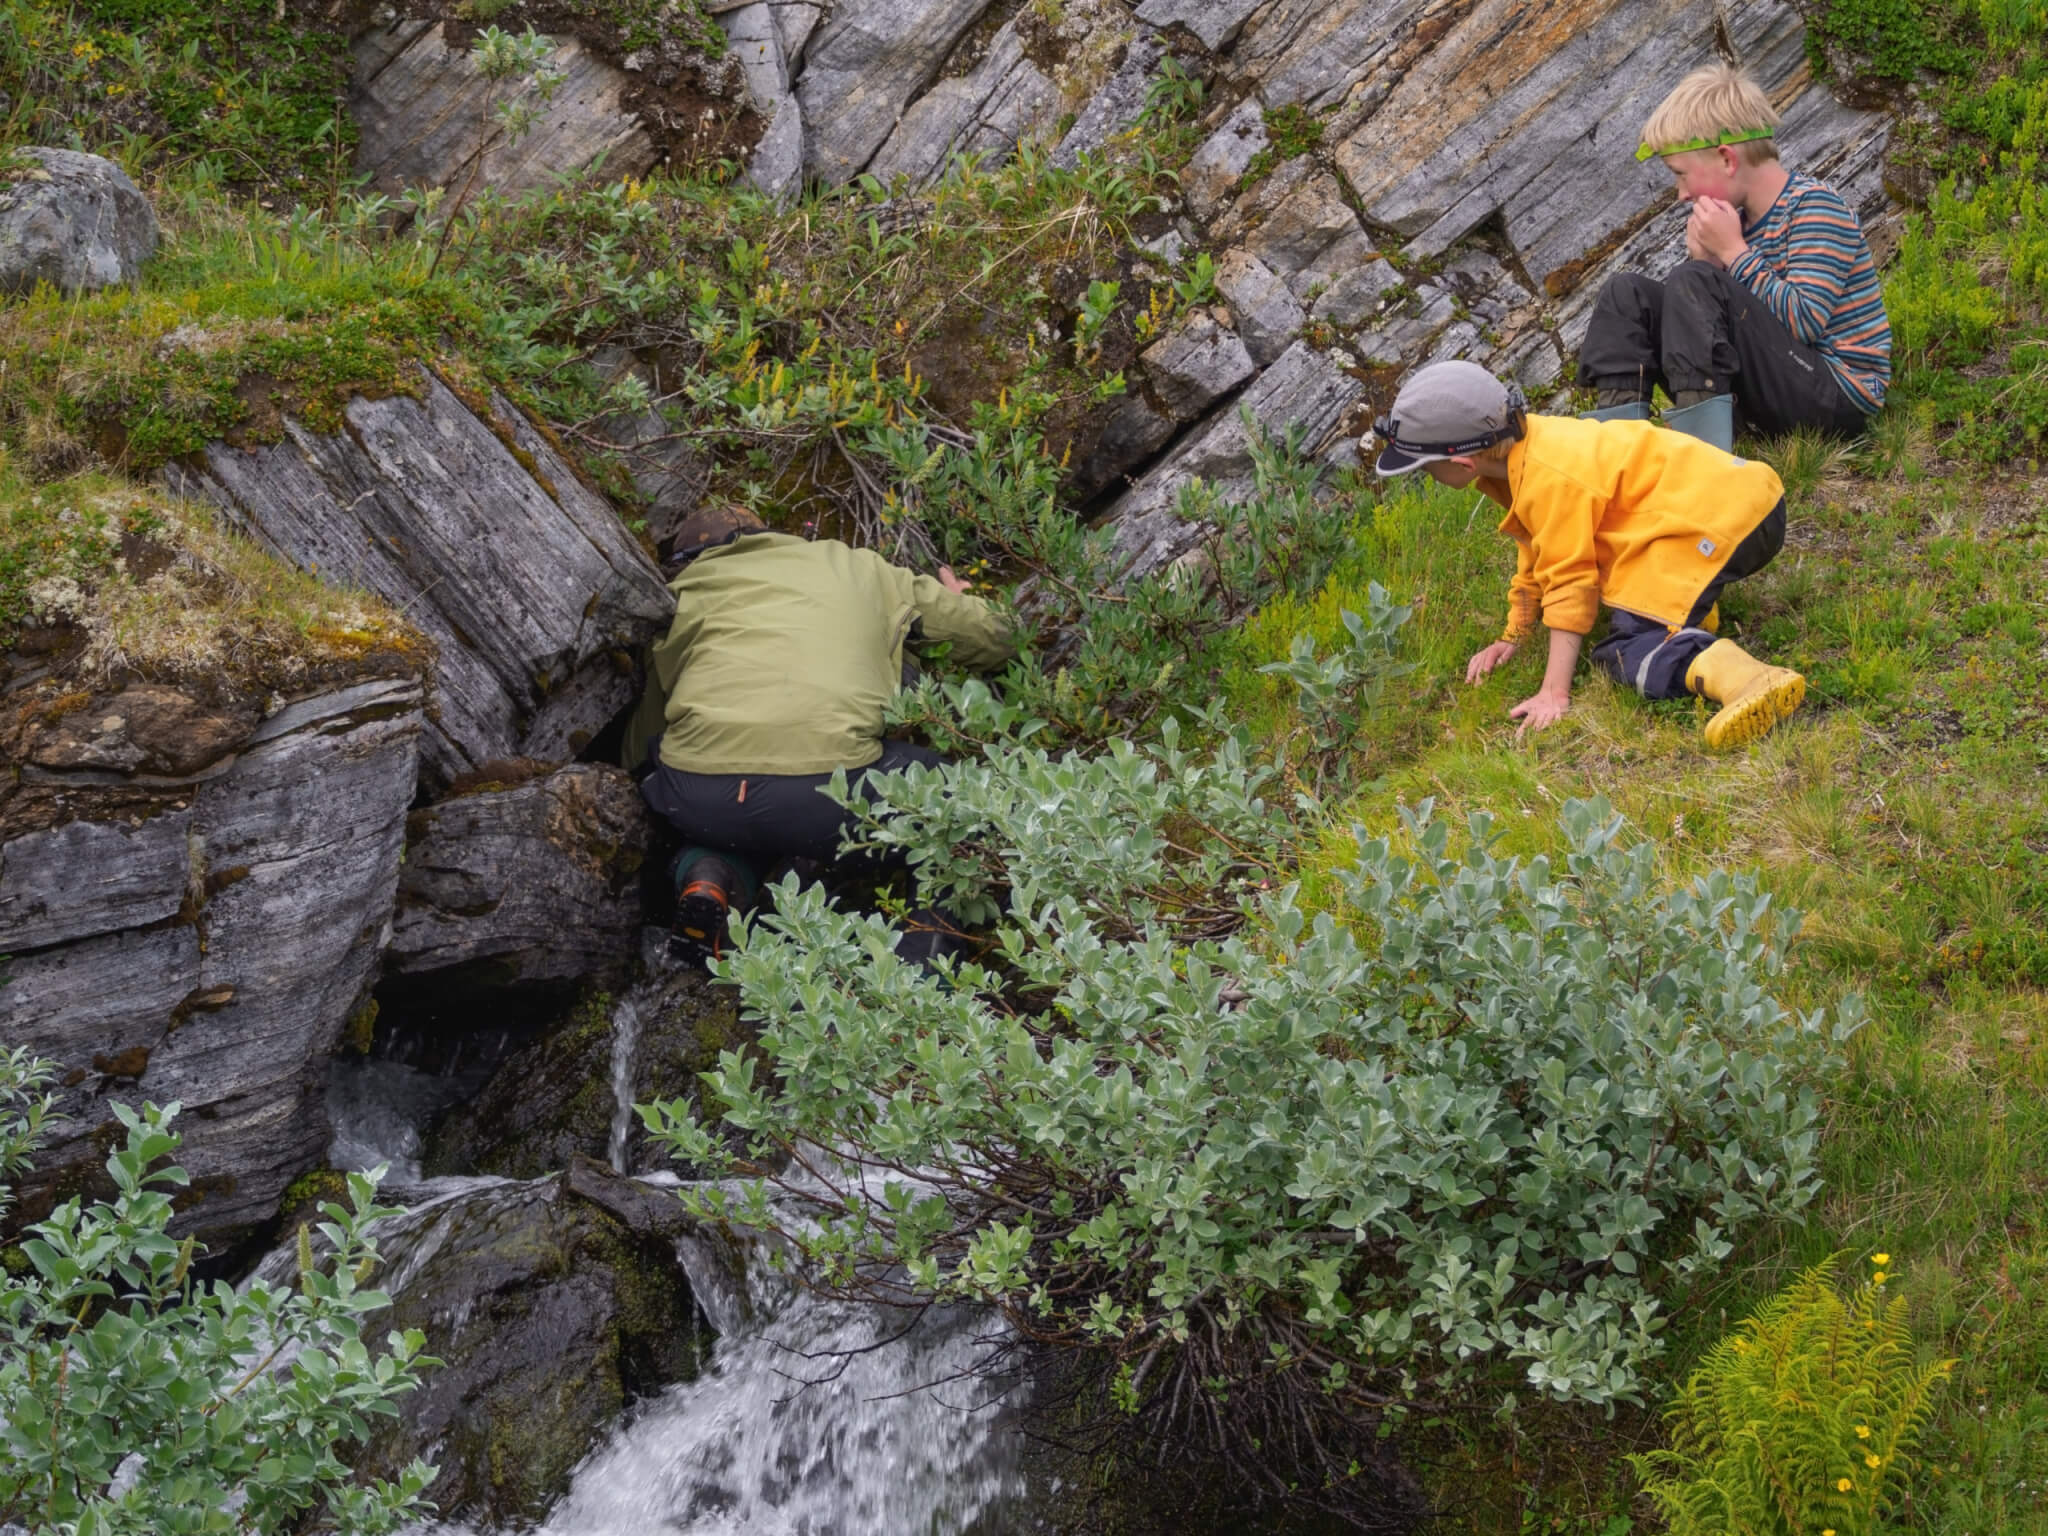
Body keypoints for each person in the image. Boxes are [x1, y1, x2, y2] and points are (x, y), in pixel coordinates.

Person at [622, 505, 1017, 960]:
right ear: (769, 536)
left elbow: (644, 736)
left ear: (689, 560)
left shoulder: (682, 594)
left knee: (741, 808)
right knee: (962, 811)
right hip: (826, 794)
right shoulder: (858, 565)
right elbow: (997, 637)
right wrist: (966, 600)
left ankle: (709, 876)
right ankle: (922, 970)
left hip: (700, 794)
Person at [1373, 360, 1806, 748]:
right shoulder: (1526, 448)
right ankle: (1685, 608)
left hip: (1722, 523)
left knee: (1623, 651)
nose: (1427, 476)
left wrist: (1553, 692)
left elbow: (1569, 581)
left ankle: (1748, 678)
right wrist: (1514, 634)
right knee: (1627, 605)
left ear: (1462, 465)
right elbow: (1537, 549)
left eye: (1424, 467)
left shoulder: (1550, 475)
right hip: (1733, 503)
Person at [1577, 64, 1891, 450]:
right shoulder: (1736, 222)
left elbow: (1805, 323)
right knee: (1626, 293)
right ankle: (1618, 454)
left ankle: (1704, 463)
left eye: (1681, 175)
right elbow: (1733, 325)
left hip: (1837, 398)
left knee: (1692, 282)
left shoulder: (1815, 207)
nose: (1681, 194)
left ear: (1727, 159)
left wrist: (1730, 256)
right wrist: (1707, 266)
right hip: (1770, 395)